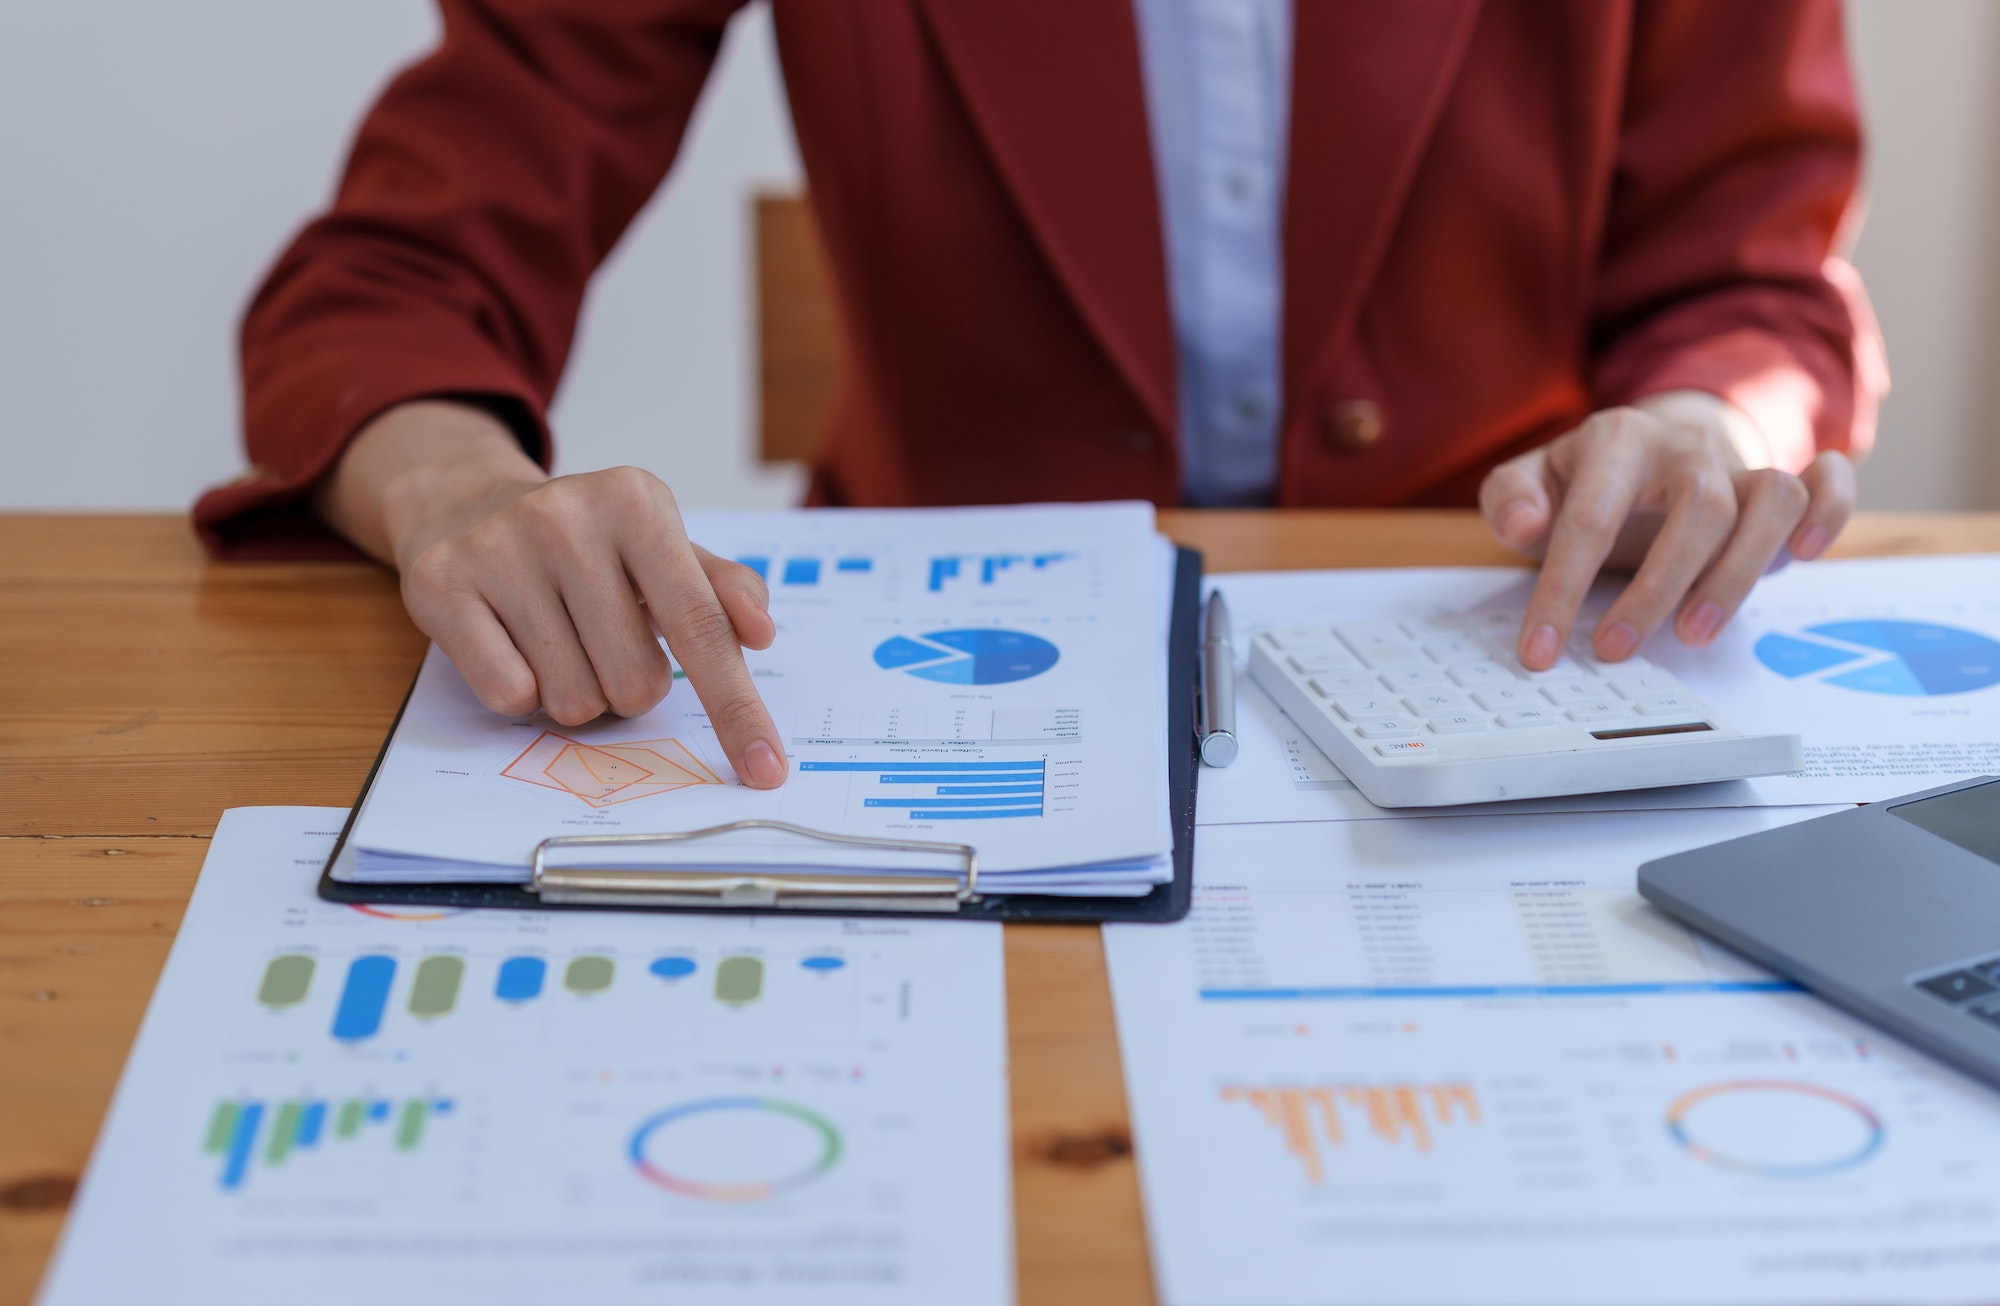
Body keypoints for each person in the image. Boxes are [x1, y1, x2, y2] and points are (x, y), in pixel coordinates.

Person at [194, 0, 1885, 792]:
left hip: (1510, 645)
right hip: (913, 694)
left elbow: (1751, 286)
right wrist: (451, 487)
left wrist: (1716, 417)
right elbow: (389, 280)